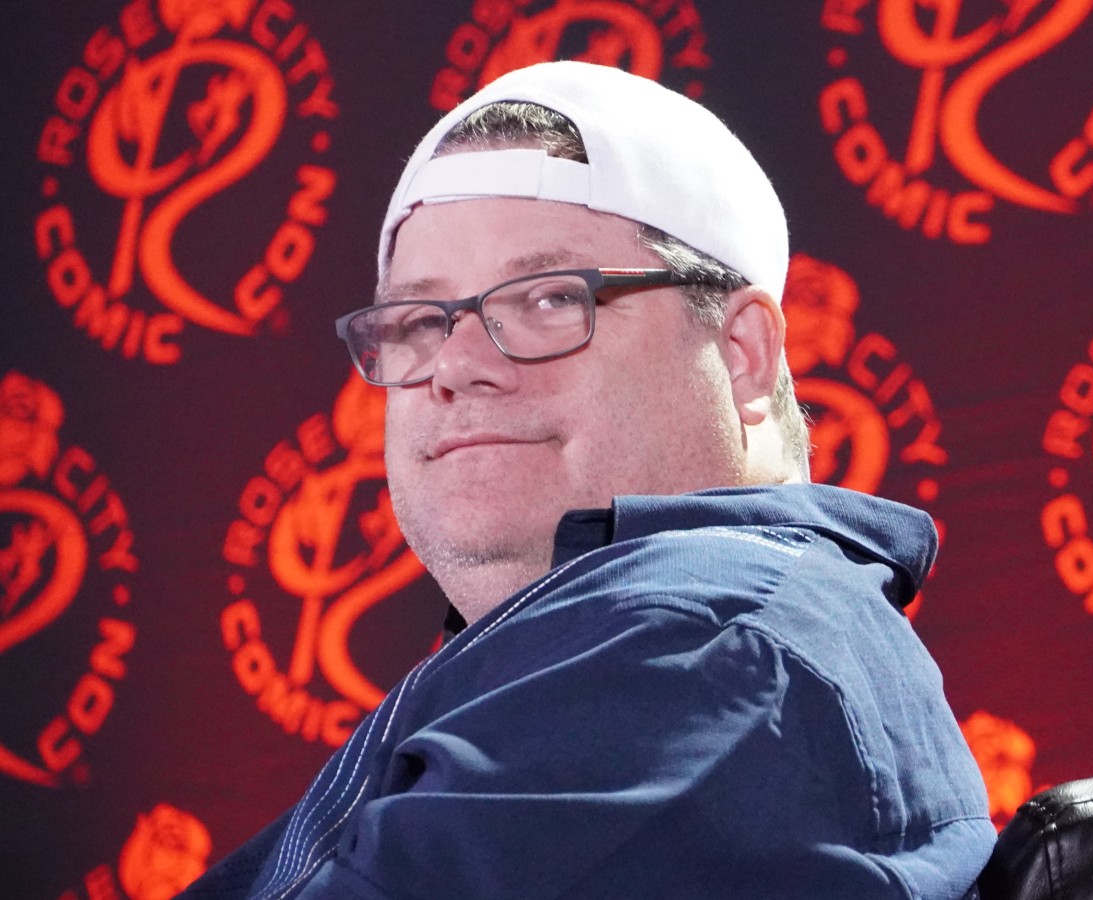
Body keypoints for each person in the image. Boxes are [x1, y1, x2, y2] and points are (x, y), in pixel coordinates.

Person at [180, 60, 994, 899]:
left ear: (743, 355)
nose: (456, 365)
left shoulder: (710, 641)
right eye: (421, 319)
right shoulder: (638, 645)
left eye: (548, 299)